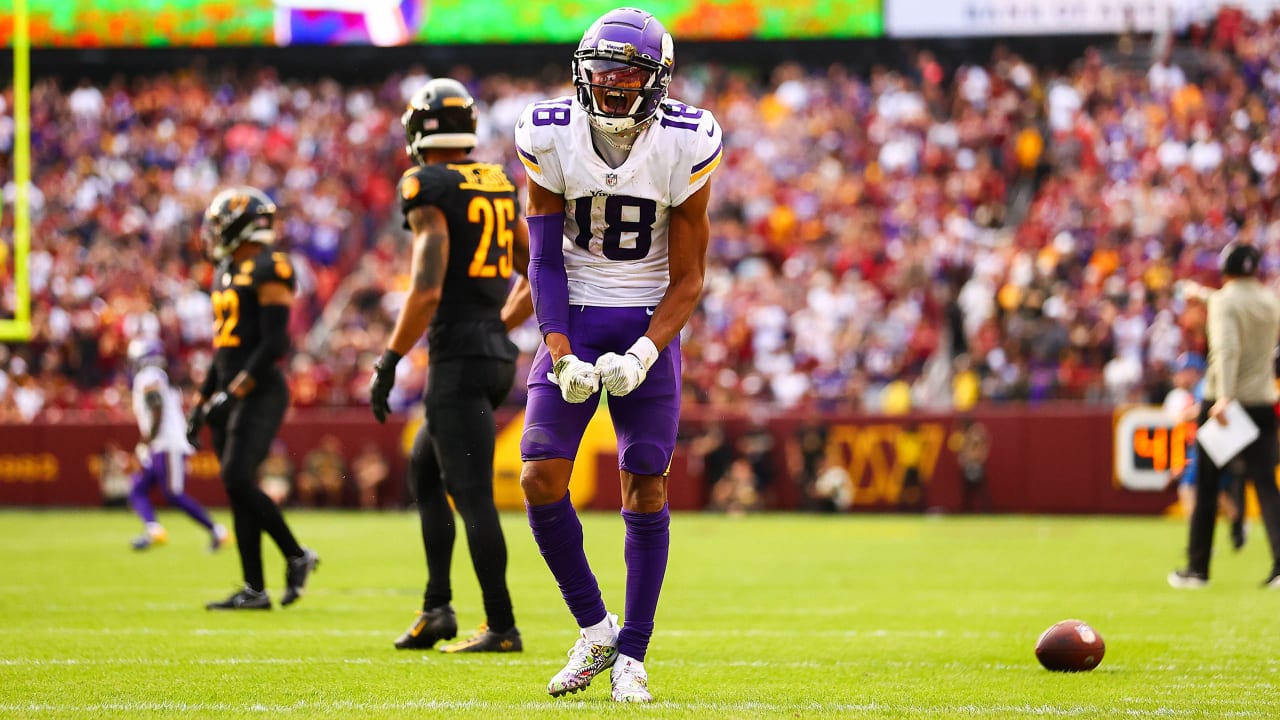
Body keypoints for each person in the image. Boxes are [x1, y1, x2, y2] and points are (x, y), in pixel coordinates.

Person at [513, 6, 721, 703]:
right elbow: (542, 263)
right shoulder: (549, 134)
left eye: (627, 72)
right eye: (600, 70)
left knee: (646, 482)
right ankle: (594, 629)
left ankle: (633, 652)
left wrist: (643, 352)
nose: (609, 84)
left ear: (655, 80)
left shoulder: (685, 143)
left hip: (646, 318)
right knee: (540, 478)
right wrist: (559, 350)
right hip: (572, 313)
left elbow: (690, 277)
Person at [368, 77, 533, 653]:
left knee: (472, 494)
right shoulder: (495, 180)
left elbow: (427, 287)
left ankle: (502, 624)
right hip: (489, 353)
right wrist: (498, 325)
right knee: (425, 470)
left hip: (459, 357)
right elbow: (536, 270)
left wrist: (389, 359)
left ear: (420, 129)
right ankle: (437, 608)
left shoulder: (425, 182)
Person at [186, 187, 319, 610]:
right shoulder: (225, 267)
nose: (213, 233)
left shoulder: (271, 266)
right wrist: (203, 400)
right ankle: (254, 589)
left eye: (220, 224)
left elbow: (276, 342)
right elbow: (223, 347)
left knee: (237, 478)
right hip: (230, 389)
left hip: (260, 391)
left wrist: (235, 390)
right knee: (238, 489)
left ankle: (297, 555)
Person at [1170, 243, 1280, 589]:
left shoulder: (1223, 302)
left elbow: (1227, 348)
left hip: (1225, 404)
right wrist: (1199, 294)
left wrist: (1225, 398)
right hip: (1262, 402)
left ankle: (1197, 568)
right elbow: (1230, 300)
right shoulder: (1268, 300)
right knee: (1266, 487)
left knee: (1205, 485)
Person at [125, 337, 229, 552]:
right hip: (160, 443)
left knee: (173, 493)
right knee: (137, 488)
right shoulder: (160, 376)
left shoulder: (149, 376)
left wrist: (148, 439)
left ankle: (218, 532)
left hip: (166, 443)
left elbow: (156, 406)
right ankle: (154, 530)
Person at [1163, 351, 1243, 546]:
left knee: (1188, 488)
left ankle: (1198, 539)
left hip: (1212, 441)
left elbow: (1207, 407)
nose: (1178, 376)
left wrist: (1184, 416)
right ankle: (1237, 523)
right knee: (1213, 490)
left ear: (1192, 371)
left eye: (1182, 372)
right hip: (1212, 441)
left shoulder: (1203, 386)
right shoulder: (1198, 387)